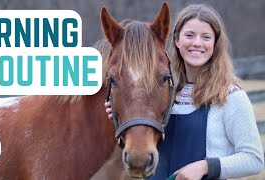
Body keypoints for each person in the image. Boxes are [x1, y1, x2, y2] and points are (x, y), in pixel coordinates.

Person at [104, 4, 264, 180]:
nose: (197, 43)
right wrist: (121, 115)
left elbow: (254, 159)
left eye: (206, 37)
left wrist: (204, 167)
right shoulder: (167, 93)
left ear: (215, 44)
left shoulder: (230, 96)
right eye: (189, 35)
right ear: (176, 40)